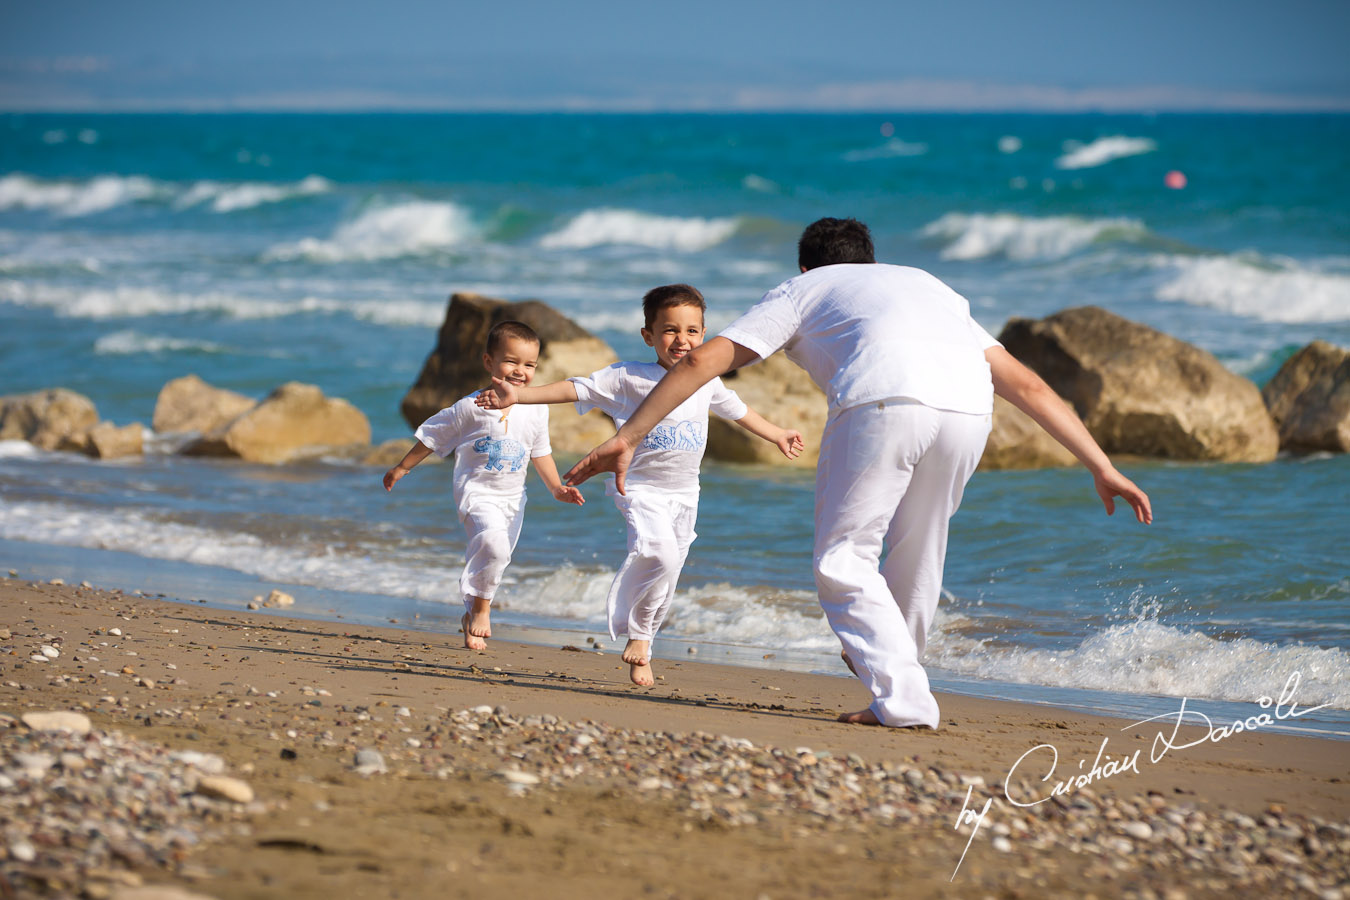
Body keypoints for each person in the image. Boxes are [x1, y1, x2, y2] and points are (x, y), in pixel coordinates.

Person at [562, 219, 1152, 728]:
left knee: (843, 559)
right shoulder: (926, 284)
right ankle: (896, 687)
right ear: (869, 258)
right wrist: (1101, 465)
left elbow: (703, 358)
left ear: (804, 265)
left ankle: (903, 695)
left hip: (881, 402)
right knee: (920, 551)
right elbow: (1027, 383)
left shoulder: (802, 288)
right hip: (971, 413)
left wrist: (627, 434)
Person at [477, 284, 804, 686]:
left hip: (685, 495)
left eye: (692, 331)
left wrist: (776, 434)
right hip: (639, 487)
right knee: (660, 553)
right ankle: (635, 632)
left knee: (670, 571)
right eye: (669, 330)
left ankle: (643, 639)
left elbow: (738, 410)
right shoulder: (629, 377)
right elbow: (576, 388)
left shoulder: (707, 379)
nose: (681, 340)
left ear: (704, 334)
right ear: (648, 335)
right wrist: (521, 397)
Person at [384, 320, 585, 651]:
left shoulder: (536, 409)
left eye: (529, 364)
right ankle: (481, 610)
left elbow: (540, 452)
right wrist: (403, 467)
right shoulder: (469, 407)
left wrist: (556, 488)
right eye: (511, 361)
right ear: (488, 362)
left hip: (512, 500)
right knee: (493, 545)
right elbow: (434, 435)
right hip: (476, 493)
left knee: (497, 556)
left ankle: (469, 613)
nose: (520, 371)